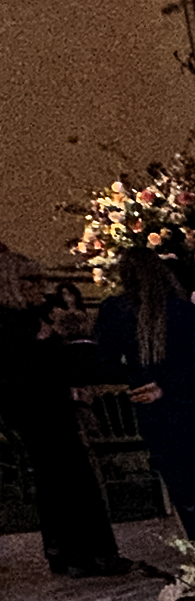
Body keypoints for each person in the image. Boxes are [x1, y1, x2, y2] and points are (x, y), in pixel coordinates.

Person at [94, 249, 195, 544]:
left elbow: (106, 360)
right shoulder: (185, 311)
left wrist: (139, 376)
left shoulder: (115, 311)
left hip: (155, 407)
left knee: (183, 479)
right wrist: (170, 384)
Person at [0, 242, 128, 577]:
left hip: (44, 407)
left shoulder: (26, 319)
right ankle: (84, 552)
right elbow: (29, 368)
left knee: (61, 479)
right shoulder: (16, 323)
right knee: (66, 479)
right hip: (41, 409)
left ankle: (74, 551)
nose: (38, 288)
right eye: (30, 282)